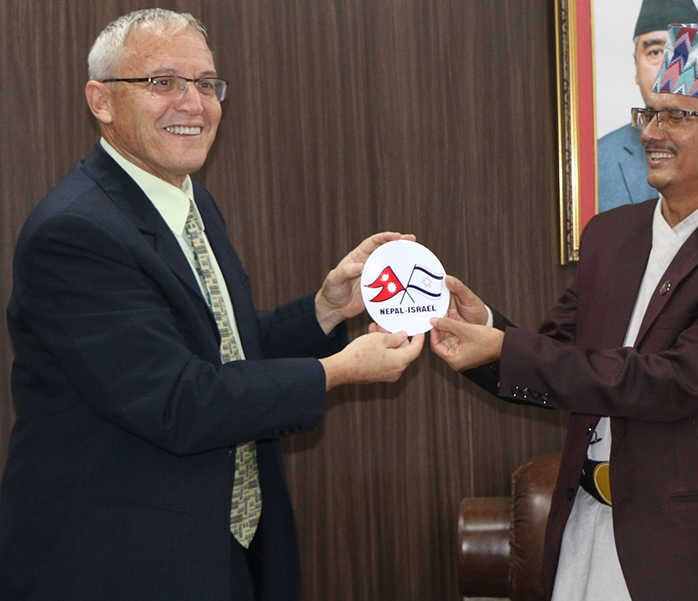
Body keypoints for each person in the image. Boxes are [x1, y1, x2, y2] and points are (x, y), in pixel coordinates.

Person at [0, 9, 423, 600]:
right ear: (100, 100)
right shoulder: (74, 234)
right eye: (162, 82)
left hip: (225, 544)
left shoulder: (187, 200)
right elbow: (179, 400)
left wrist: (327, 310)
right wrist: (337, 372)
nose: (193, 103)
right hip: (122, 560)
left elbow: (224, 350)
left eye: (206, 83)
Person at [432, 23, 698, 601]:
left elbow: (673, 382)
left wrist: (507, 348)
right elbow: (556, 361)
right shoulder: (610, 235)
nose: (652, 133)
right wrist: (484, 326)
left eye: (675, 117)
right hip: (588, 530)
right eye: (650, 114)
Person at [596, 0, 698, 213]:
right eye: (656, 52)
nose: (669, 67)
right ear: (635, 65)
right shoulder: (598, 160)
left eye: (681, 52)